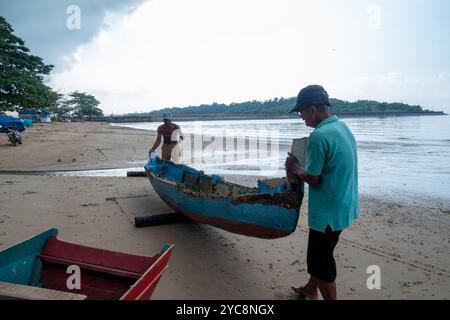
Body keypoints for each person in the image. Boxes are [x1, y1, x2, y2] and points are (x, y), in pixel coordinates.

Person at [284, 84, 359, 300]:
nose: (301, 117)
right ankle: (310, 288)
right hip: (345, 205)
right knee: (323, 255)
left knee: (320, 263)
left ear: (312, 110)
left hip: (327, 213)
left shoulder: (318, 136)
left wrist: (295, 167)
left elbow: (313, 179)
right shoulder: (342, 127)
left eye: (301, 112)